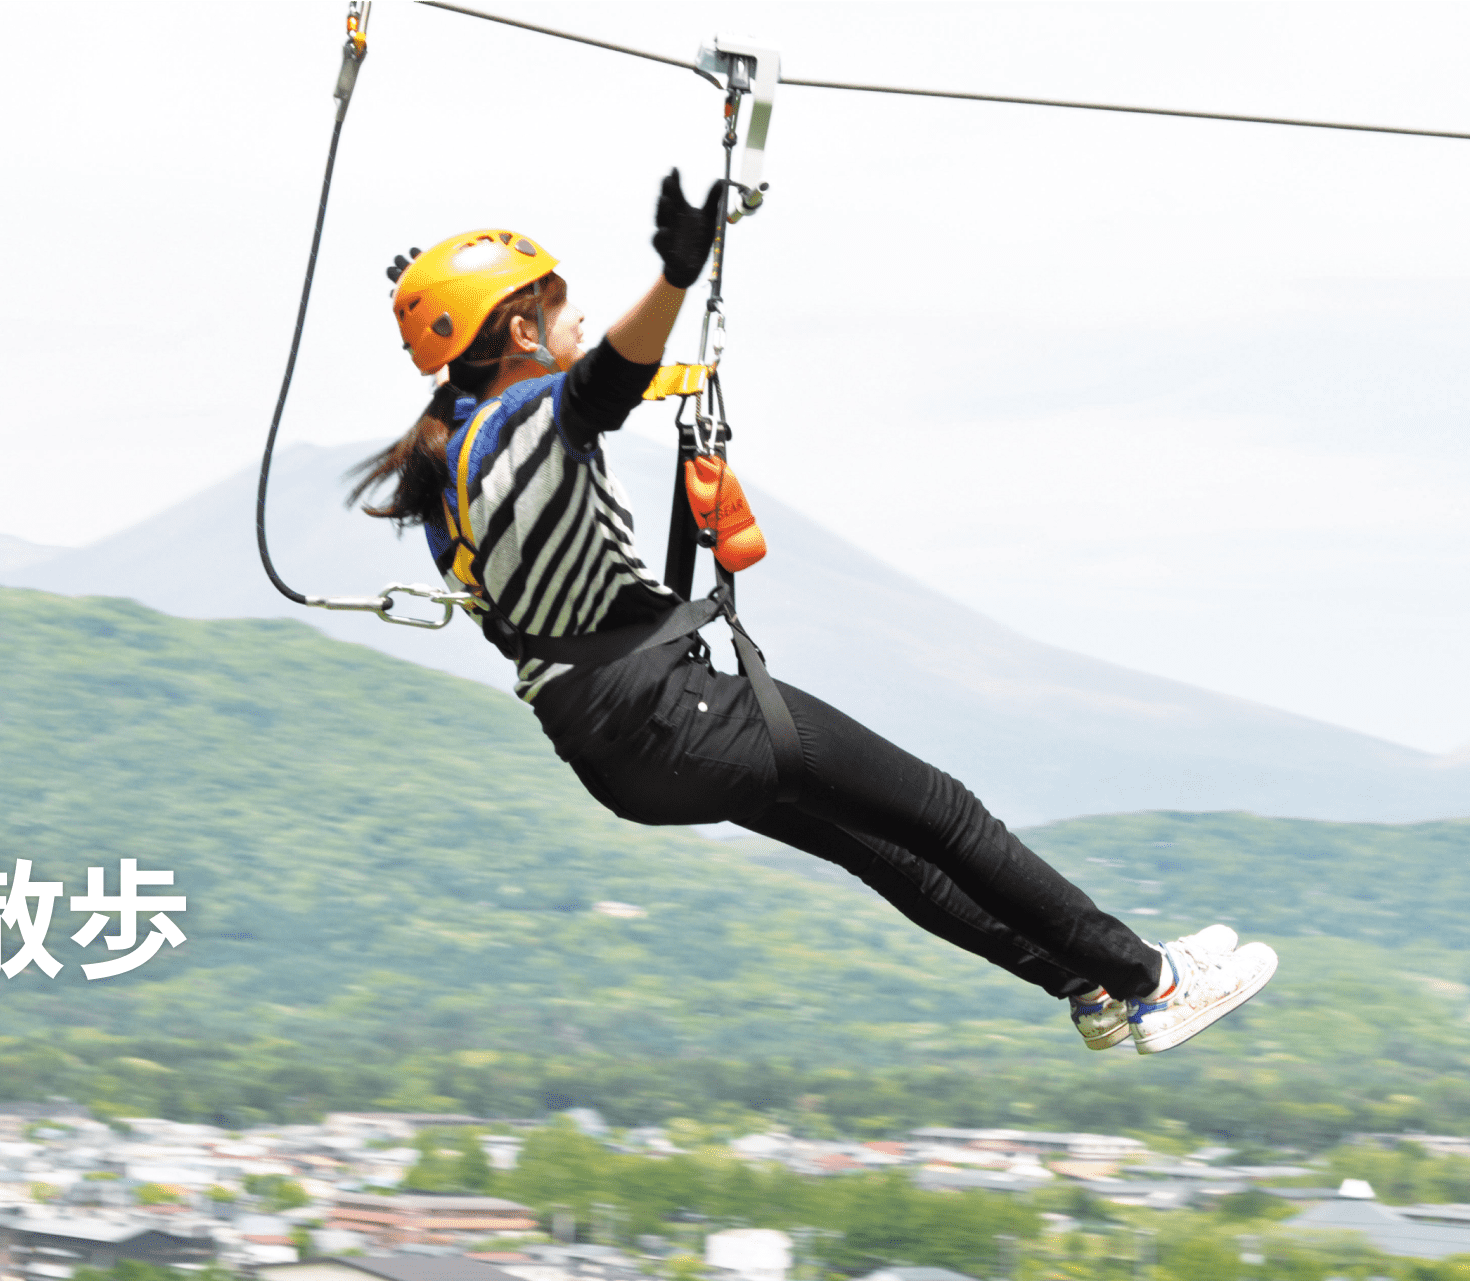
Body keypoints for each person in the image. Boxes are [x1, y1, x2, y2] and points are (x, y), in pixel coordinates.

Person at [348, 171, 1277, 1055]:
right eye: (561, 304)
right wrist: (676, 273)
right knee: (943, 815)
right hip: (672, 716)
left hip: (619, 745)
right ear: (520, 329)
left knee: (882, 849)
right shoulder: (516, 432)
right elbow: (602, 386)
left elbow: (577, 395)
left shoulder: (446, 469)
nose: (580, 316)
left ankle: (1085, 985)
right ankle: (1150, 979)